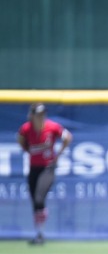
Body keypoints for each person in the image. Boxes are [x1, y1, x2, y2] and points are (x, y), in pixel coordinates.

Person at [16, 103, 73, 245]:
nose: (41, 117)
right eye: (38, 114)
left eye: (43, 114)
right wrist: (26, 149)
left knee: (39, 197)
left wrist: (58, 155)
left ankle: (40, 233)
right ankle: (39, 234)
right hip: (33, 168)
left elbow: (67, 137)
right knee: (35, 201)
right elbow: (20, 138)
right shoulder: (26, 128)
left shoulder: (52, 127)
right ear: (32, 116)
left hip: (48, 167)